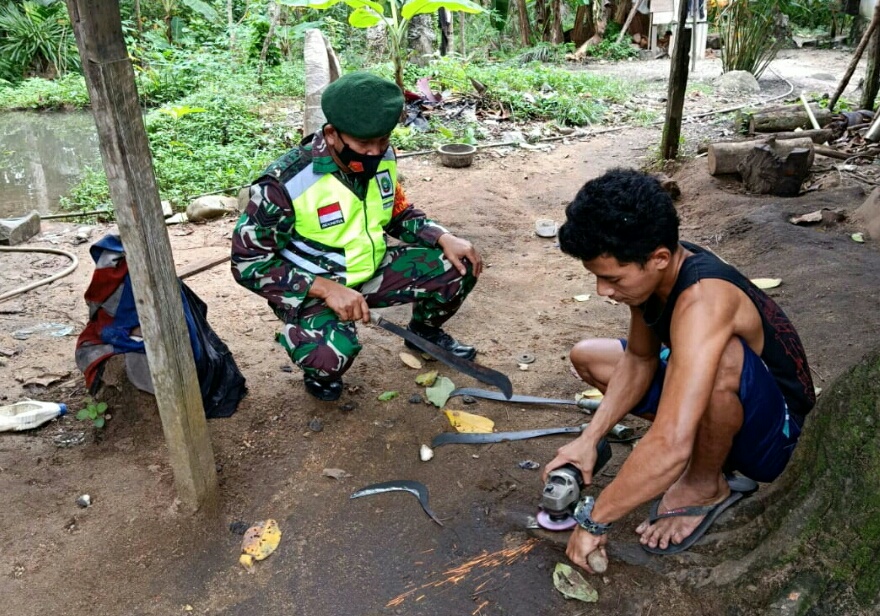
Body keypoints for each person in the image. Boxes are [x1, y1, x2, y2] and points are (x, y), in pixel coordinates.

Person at [543, 168, 815, 570]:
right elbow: (639, 359)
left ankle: (706, 485)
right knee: (590, 356)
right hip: (735, 400)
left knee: (722, 363)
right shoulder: (655, 271)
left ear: (659, 258)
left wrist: (593, 520)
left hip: (777, 435)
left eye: (611, 278)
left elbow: (670, 443)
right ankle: (704, 446)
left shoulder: (703, 301)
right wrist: (590, 438)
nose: (602, 290)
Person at [231, 72, 482, 401]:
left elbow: (396, 213)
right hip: (311, 287)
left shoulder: (381, 157)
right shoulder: (286, 183)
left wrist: (441, 236)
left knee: (459, 262)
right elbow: (248, 263)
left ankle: (424, 333)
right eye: (364, 144)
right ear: (332, 133)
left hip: (371, 269)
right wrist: (324, 288)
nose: (375, 152)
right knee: (331, 352)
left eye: (383, 141)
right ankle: (319, 373)